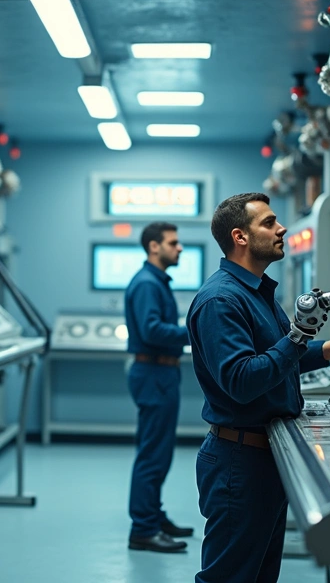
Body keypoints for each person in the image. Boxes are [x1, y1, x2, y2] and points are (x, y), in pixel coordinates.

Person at [188, 192, 330, 582]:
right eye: (268, 223)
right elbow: (243, 380)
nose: (281, 229)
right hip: (240, 462)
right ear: (240, 237)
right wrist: (298, 337)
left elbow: (273, 357)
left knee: (260, 576)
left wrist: (324, 350)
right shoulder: (221, 300)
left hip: (264, 456)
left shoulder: (257, 292)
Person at [124, 222, 194, 553]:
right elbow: (152, 331)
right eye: (173, 243)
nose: (179, 248)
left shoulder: (157, 282)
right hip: (153, 373)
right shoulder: (147, 285)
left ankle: (153, 515)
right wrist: (196, 330)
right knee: (153, 454)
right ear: (154, 246)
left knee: (158, 451)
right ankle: (143, 529)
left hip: (160, 373)